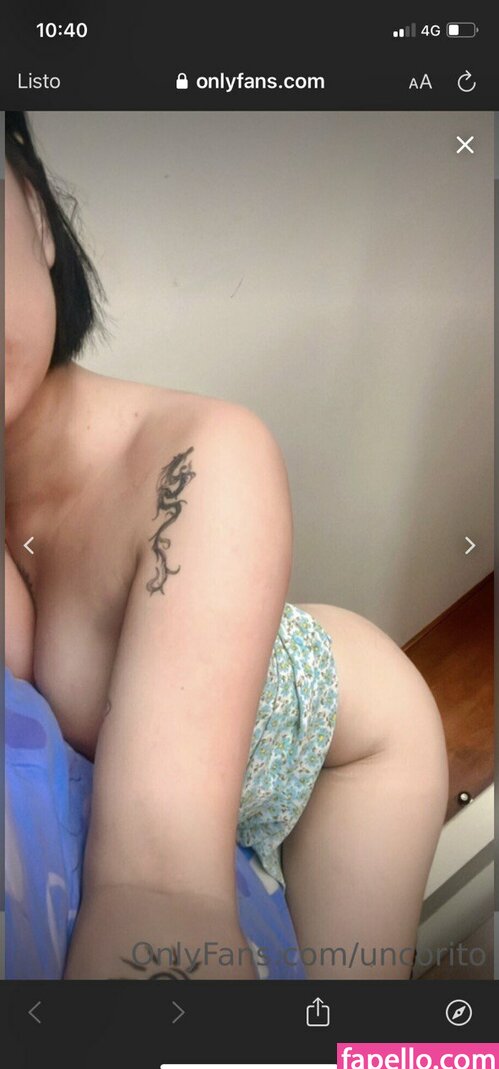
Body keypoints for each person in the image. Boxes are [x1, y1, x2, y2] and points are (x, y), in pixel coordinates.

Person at [5, 111, 448, 980]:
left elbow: (159, 886)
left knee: (341, 1035)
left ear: (32, 211)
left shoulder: (201, 455)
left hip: (347, 750)